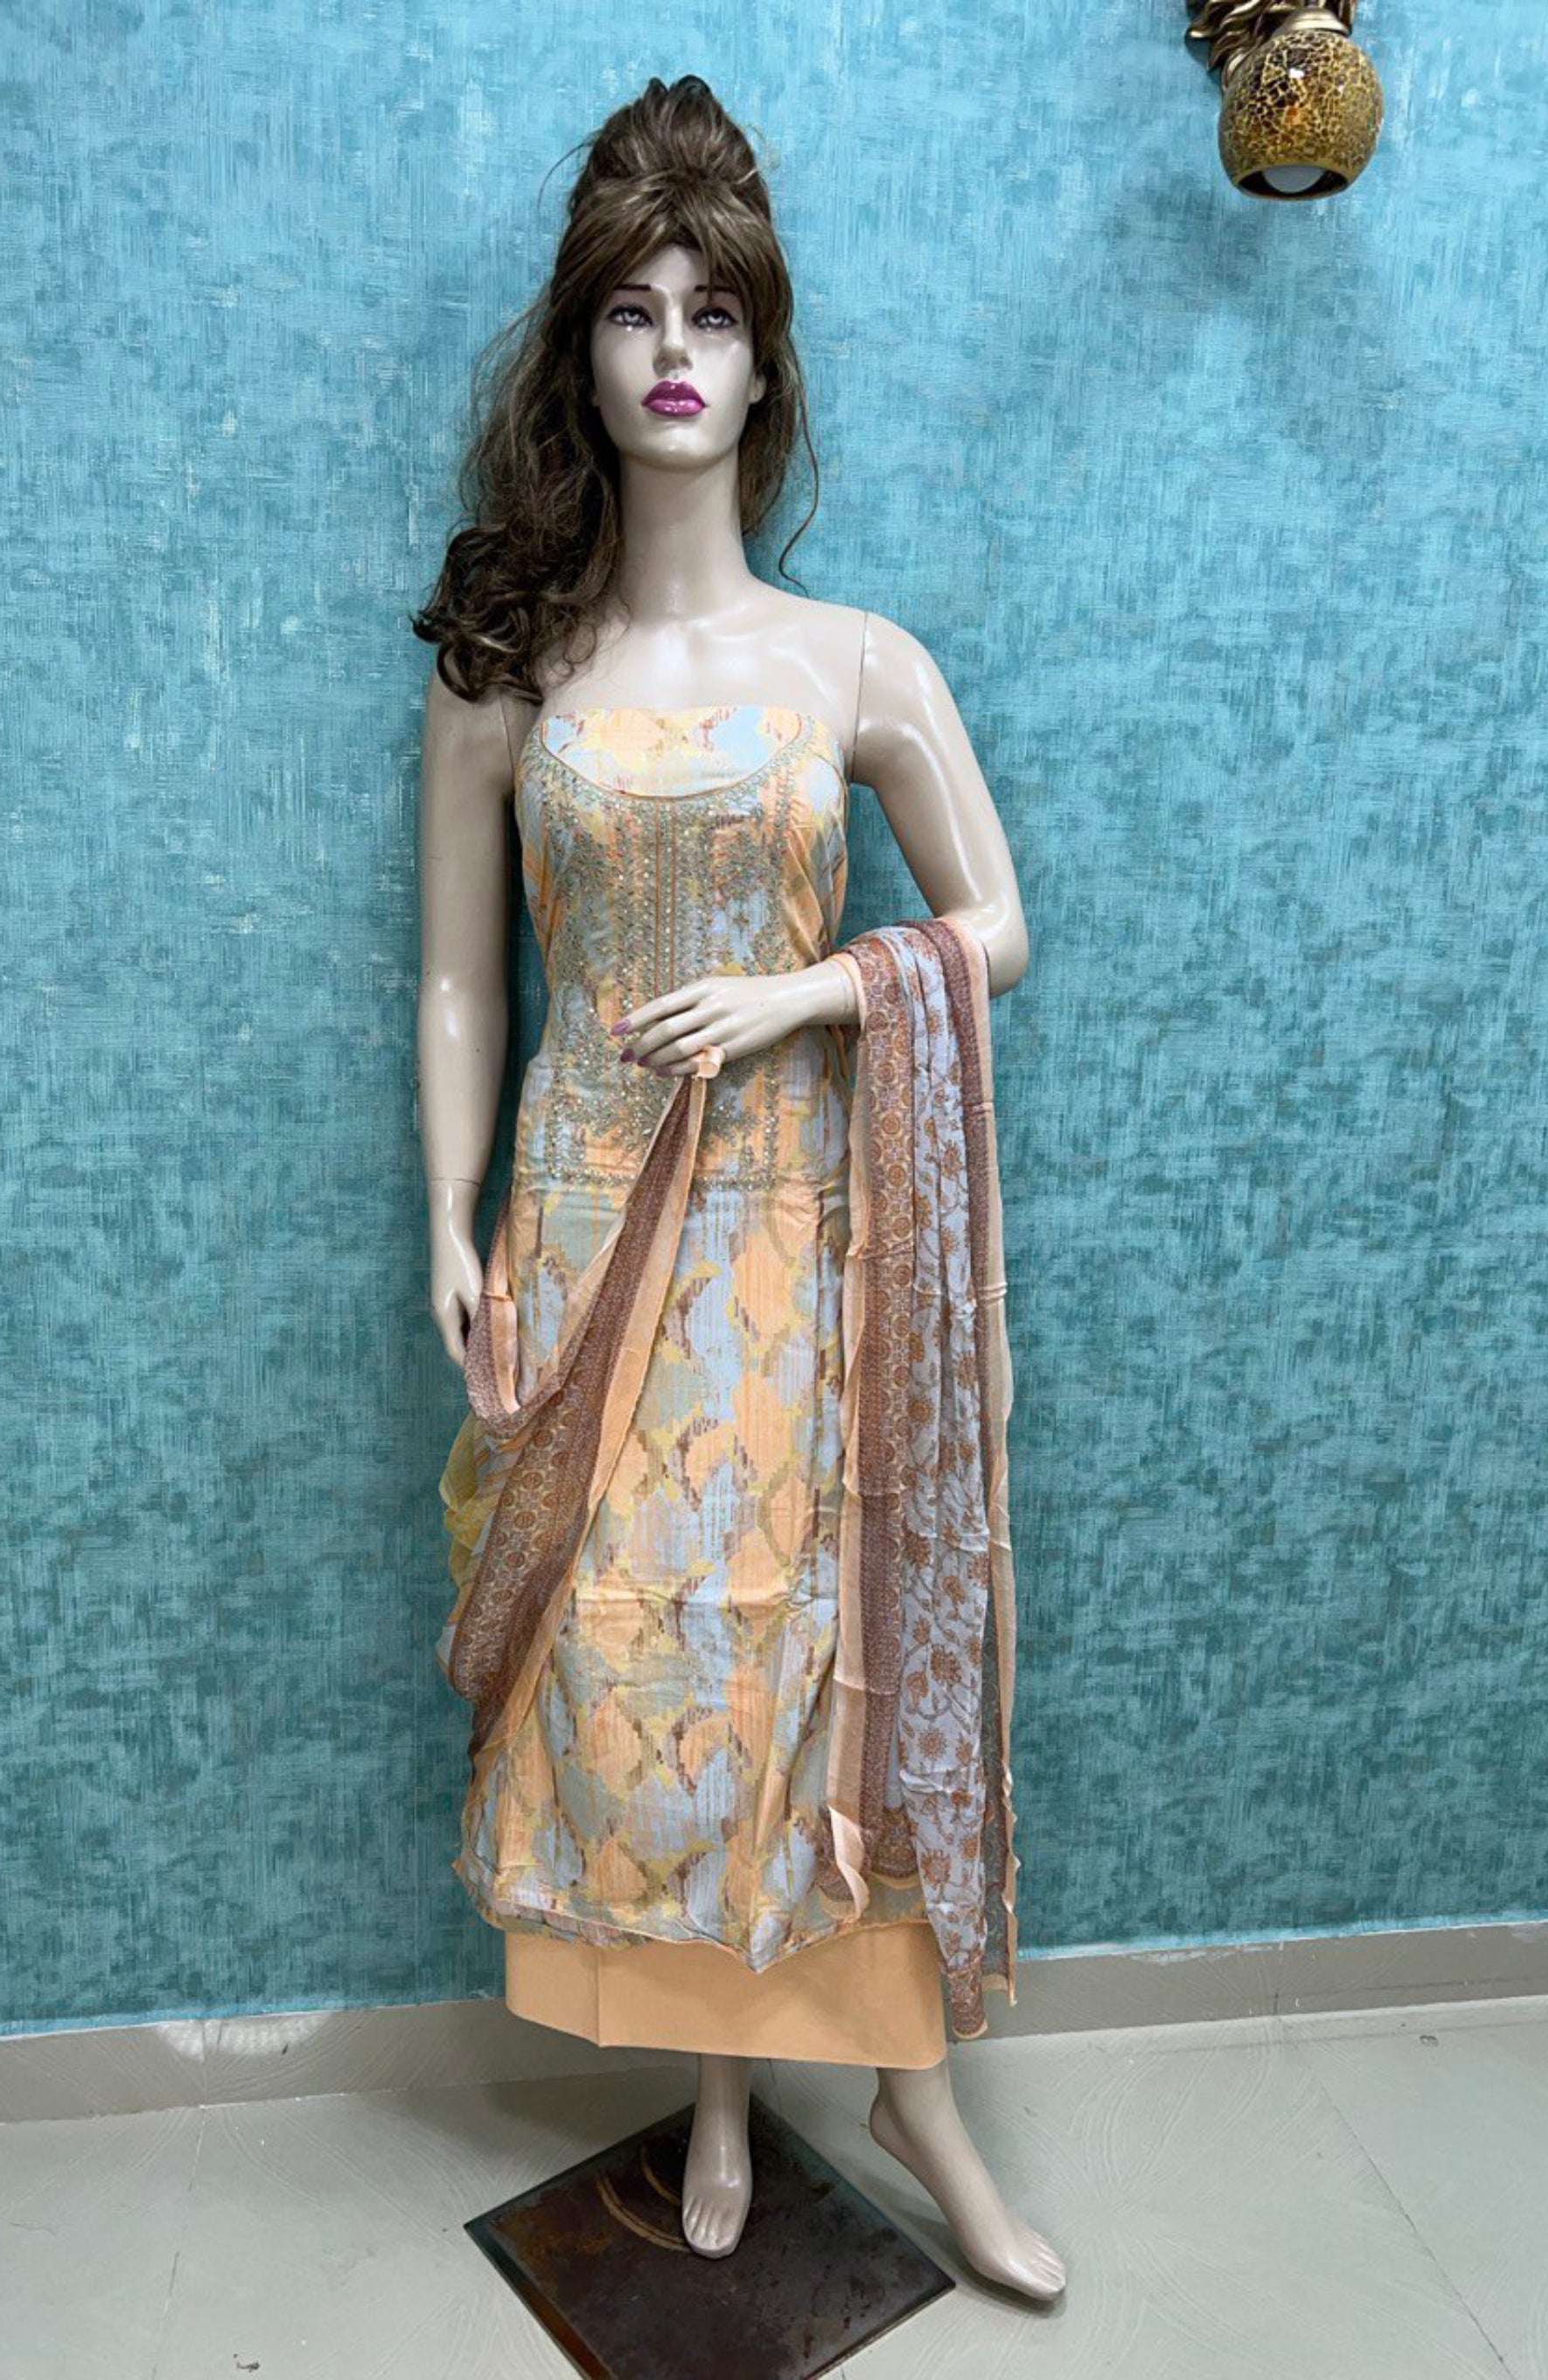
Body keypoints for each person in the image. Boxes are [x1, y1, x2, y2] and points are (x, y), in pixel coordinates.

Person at [411, 73, 1063, 2302]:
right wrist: (448, 1220)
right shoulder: (512, 674)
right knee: (638, 1654)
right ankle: (718, 2087)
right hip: (586, 1220)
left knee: (801, 1641)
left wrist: (810, 993)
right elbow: (454, 974)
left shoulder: (853, 662)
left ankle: (903, 2091)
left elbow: (993, 928)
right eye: (634, 309)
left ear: (767, 363)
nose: (674, 348)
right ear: (582, 356)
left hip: (797, 1236)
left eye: (714, 311)